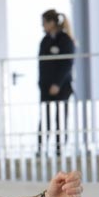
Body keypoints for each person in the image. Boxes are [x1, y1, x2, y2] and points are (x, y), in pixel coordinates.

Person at [37, 9, 75, 156]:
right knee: (44, 118)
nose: (43, 26)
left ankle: (59, 149)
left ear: (52, 23)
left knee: (60, 118)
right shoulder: (45, 41)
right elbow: (41, 65)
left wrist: (57, 84)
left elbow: (67, 64)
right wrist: (42, 84)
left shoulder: (65, 40)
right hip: (45, 87)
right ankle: (41, 148)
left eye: (44, 23)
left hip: (62, 87)